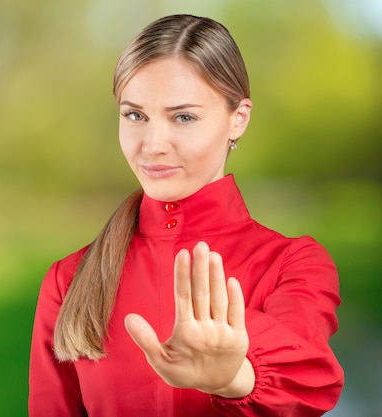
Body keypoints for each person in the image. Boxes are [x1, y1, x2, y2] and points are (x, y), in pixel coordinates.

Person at [28, 14, 344, 416]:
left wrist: (233, 379)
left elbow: (308, 377)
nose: (153, 145)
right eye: (135, 115)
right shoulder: (68, 281)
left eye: (183, 117)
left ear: (238, 119)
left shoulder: (293, 264)